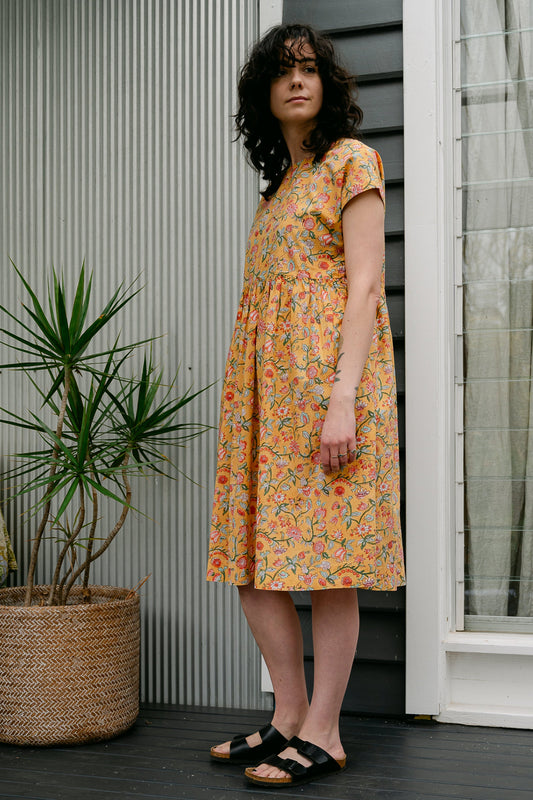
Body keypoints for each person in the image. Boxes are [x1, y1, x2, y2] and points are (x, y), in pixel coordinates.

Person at [206, 22, 405, 788]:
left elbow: (362, 286)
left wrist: (344, 398)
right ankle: (286, 714)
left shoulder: (350, 161)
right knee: (253, 561)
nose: (297, 81)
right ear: (265, 93)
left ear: (326, 84)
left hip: (328, 390)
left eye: (309, 69)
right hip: (266, 397)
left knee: (328, 565)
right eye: (282, 71)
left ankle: (324, 730)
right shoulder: (280, 189)